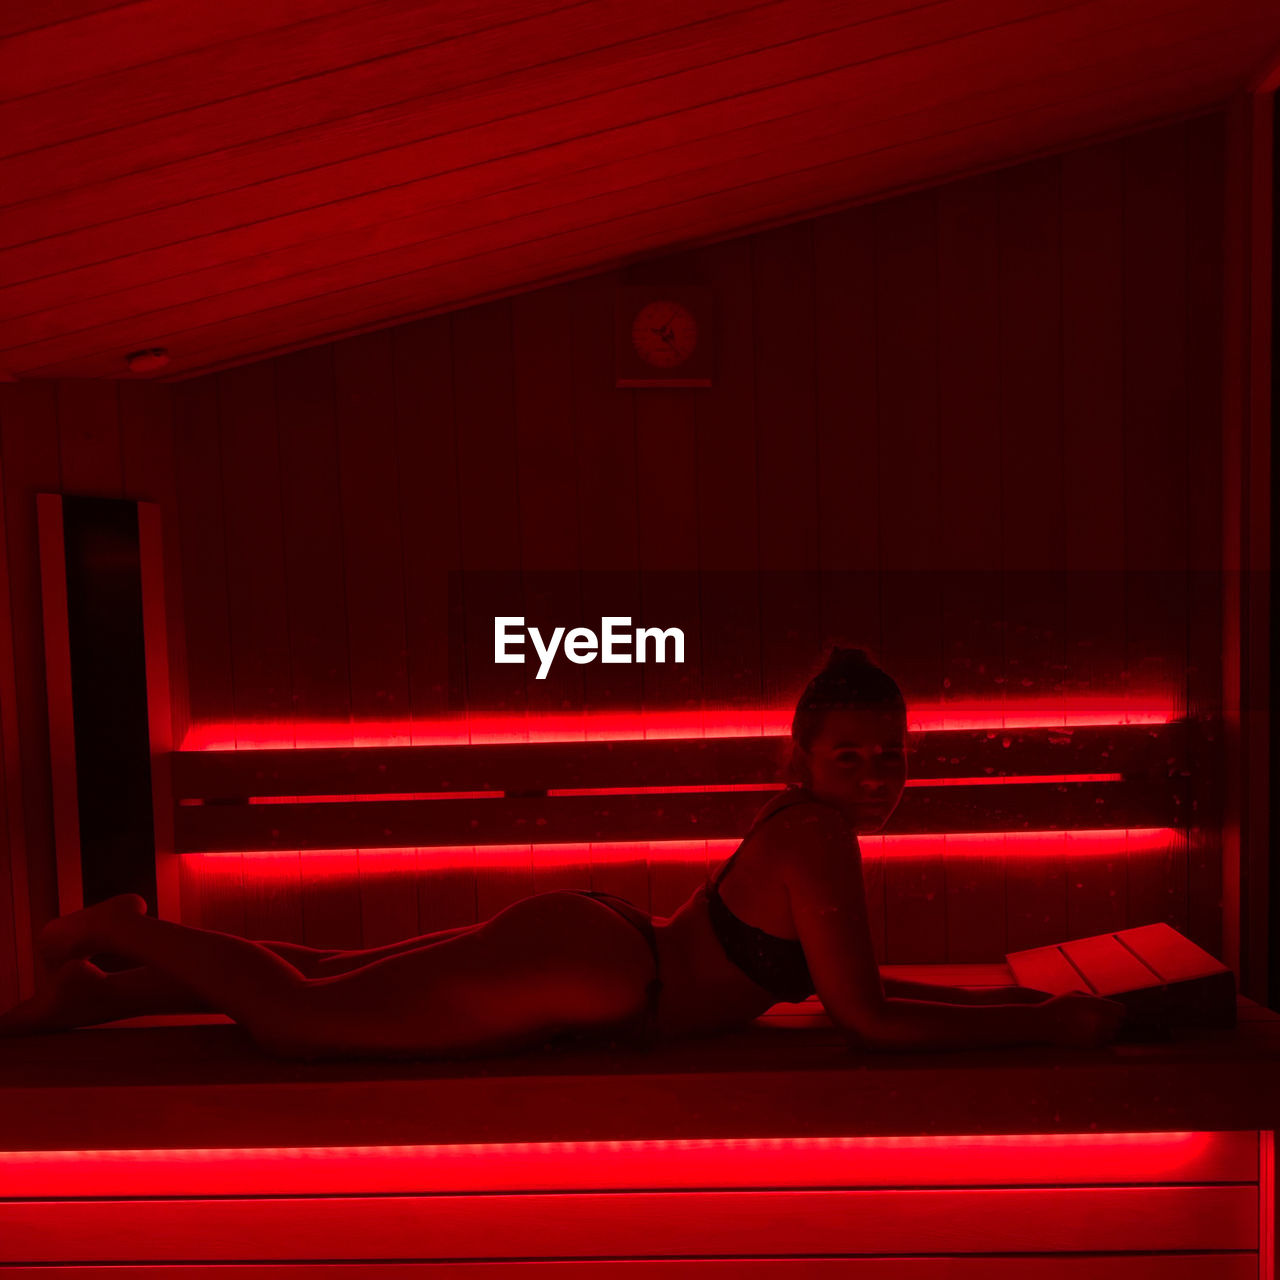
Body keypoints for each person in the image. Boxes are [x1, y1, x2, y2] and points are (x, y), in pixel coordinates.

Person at [0, 646, 1127, 1060]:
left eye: (889, 755)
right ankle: (114, 925)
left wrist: (1011, 990)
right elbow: (867, 1022)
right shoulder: (820, 836)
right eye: (851, 754)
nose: (875, 772)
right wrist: (1043, 1023)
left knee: (326, 970)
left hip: (600, 953)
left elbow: (862, 992)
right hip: (597, 976)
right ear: (802, 757)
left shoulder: (809, 831)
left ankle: (90, 998)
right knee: (302, 1010)